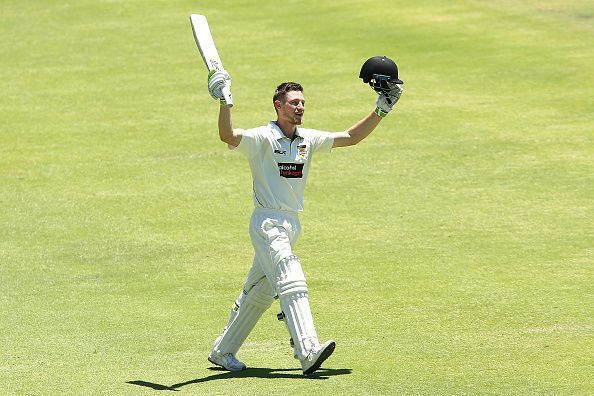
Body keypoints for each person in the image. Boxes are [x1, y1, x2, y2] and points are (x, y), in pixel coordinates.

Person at [205, 67, 403, 376]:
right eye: (294, 102)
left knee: (260, 291)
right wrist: (224, 101)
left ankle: (223, 350)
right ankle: (307, 350)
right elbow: (226, 136)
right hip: (267, 222)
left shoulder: (307, 139)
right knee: (290, 276)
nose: (300, 107)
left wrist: (381, 109)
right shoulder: (261, 137)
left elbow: (350, 137)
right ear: (278, 105)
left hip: (291, 224)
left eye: (302, 103)